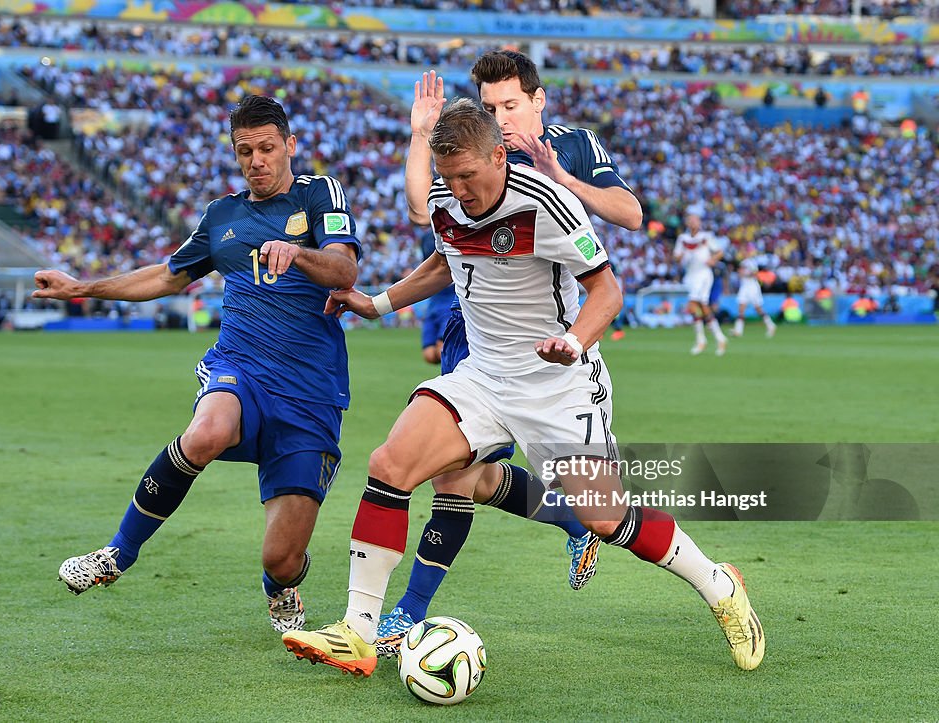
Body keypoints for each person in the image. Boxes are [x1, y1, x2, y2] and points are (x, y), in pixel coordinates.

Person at [282, 100, 764, 676]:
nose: (459, 189)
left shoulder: (548, 206)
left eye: (468, 175)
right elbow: (444, 261)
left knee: (604, 520)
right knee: (390, 464)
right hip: (483, 376)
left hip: (559, 385)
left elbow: (607, 293)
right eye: (448, 177)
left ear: (499, 155)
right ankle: (357, 633)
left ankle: (719, 585)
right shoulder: (445, 201)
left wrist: (576, 341)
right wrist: (379, 302)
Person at [31, 95, 360, 633]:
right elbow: (166, 276)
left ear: (291, 146)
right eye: (245, 150)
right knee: (208, 430)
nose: (256, 160)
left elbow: (344, 270)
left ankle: (281, 589)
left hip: (311, 392)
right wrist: (81, 287)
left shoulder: (320, 194)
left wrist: (297, 252)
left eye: (267, 148)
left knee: (281, 558)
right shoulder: (222, 215)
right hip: (241, 367)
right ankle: (117, 554)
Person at [373, 52, 644, 657]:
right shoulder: (465, 150)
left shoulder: (569, 145)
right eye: (490, 106)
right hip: (472, 326)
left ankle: (409, 610)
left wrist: (559, 176)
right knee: (456, 472)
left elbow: (630, 214)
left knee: (467, 475)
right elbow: (427, 219)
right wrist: (421, 136)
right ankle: (409, 611)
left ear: (538, 100)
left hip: (543, 338)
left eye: (511, 105)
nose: (501, 116)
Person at [673, 214, 728, 356]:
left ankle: (701, 339)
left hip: (703, 274)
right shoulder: (683, 239)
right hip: (691, 274)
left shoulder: (706, 236)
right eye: (690, 220)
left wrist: (713, 260)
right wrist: (681, 256)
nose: (692, 223)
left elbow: (719, 252)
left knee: (692, 304)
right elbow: (677, 256)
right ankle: (719, 338)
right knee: (702, 307)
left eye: (695, 220)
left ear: (699, 222)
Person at [416, 227, 455, 364]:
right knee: (430, 355)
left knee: (443, 349)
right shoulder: (426, 237)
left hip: (452, 295)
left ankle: (456, 380)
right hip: (434, 297)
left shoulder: (453, 229)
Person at [733, 255, 777, 337]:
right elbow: (740, 273)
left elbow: (755, 273)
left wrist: (745, 273)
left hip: (752, 286)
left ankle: (770, 325)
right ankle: (738, 330)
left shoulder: (751, 262)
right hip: (745, 286)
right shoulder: (743, 262)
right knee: (741, 308)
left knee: (758, 308)